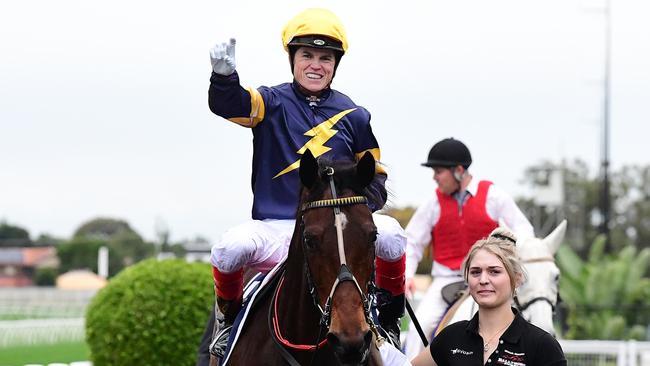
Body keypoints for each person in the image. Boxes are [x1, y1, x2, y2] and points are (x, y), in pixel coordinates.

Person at [202, 7, 408, 362]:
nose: (316, 64)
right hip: (275, 228)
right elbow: (229, 104)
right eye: (307, 55)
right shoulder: (269, 101)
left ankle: (388, 317)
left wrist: (352, 214)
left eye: (325, 58)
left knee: (392, 235)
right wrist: (223, 78)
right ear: (293, 59)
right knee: (228, 248)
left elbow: (375, 177)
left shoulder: (355, 115)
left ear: (335, 64)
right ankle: (226, 321)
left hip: (335, 230)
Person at [403, 137, 534, 359]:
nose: (435, 177)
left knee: (531, 316)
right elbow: (412, 242)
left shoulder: (493, 195)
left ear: (459, 170)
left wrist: (510, 258)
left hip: (490, 275)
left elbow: (524, 230)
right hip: (446, 278)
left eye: (438, 171)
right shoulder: (432, 203)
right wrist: (406, 276)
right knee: (420, 326)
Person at [411, 228, 567, 366]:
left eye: (494, 271)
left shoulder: (543, 346)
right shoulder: (451, 336)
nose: (483, 280)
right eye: (475, 272)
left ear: (517, 279)